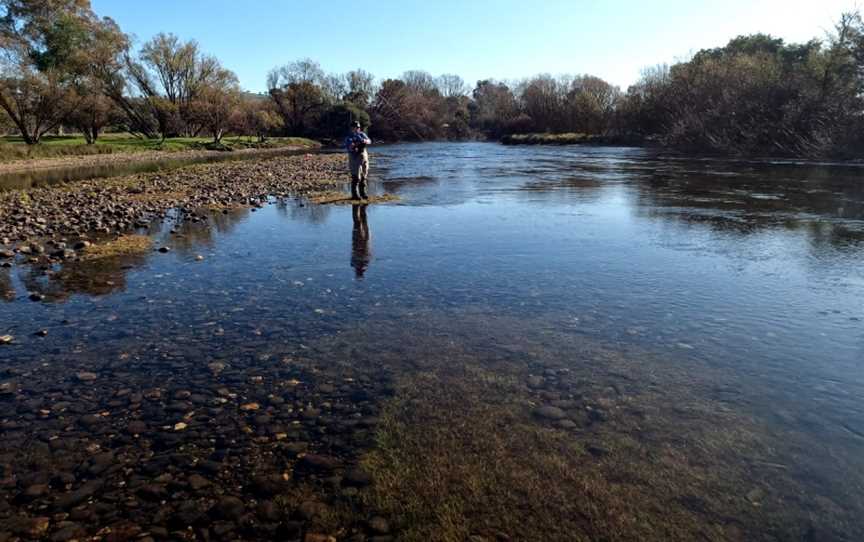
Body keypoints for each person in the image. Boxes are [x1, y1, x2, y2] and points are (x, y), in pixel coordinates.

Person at [345, 120, 372, 200]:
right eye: (355, 127)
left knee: (364, 175)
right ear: (351, 128)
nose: (356, 129)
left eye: (358, 127)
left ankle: (363, 193)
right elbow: (349, 146)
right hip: (354, 157)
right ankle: (354, 195)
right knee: (356, 176)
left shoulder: (362, 134)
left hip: (364, 155)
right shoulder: (349, 136)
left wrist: (364, 141)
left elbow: (369, 141)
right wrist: (354, 146)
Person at [351, 203, 371, 278]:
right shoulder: (361, 264)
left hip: (359, 243)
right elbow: (368, 255)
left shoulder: (355, 264)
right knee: (360, 224)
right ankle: (361, 208)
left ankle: (360, 207)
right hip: (362, 243)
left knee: (358, 224)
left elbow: (368, 255)